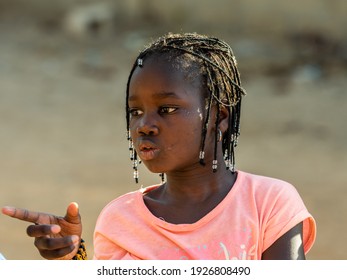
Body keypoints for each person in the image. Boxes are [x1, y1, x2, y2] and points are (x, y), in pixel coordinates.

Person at [2, 32, 316, 260]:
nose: (144, 125)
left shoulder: (268, 203)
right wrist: (74, 259)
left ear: (218, 117)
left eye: (166, 109)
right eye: (135, 112)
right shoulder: (120, 220)